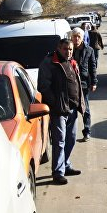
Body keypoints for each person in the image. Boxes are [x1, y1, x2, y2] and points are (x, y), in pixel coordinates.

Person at [37, 38, 85, 185]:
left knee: (71, 138)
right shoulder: (49, 63)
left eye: (70, 49)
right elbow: (43, 87)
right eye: (65, 49)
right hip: (58, 110)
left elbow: (76, 83)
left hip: (72, 108)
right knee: (59, 141)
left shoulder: (71, 62)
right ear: (59, 48)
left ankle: (66, 165)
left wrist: (80, 103)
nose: (68, 52)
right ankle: (58, 173)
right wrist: (55, 103)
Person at [71, 28, 98, 142]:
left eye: (78, 36)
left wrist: (94, 82)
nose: (76, 38)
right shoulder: (68, 48)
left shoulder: (89, 50)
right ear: (71, 37)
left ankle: (87, 131)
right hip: (71, 84)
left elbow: (93, 67)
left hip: (83, 83)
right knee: (71, 110)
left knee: (85, 108)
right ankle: (70, 132)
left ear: (82, 38)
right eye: (74, 36)